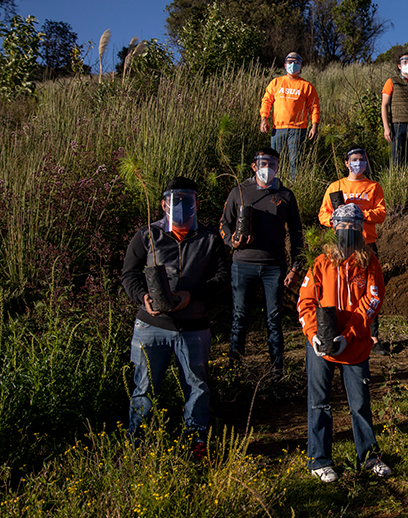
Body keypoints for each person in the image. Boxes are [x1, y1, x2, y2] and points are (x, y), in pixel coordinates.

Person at [121, 177, 229, 457]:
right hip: (151, 325)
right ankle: (138, 446)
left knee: (196, 387)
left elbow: (222, 278)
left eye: (187, 200)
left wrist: (191, 296)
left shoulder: (208, 238)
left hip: (194, 328)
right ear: (163, 204)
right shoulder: (148, 235)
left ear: (197, 203)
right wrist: (142, 298)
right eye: (175, 200)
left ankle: (196, 445)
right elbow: (129, 274)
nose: (181, 206)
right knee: (144, 387)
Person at [297, 204, 391, 482]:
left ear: (361, 228)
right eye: (342, 224)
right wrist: (313, 334)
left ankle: (370, 456)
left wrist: (348, 335)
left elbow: (372, 301)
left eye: (353, 225)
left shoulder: (369, 262)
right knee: (319, 403)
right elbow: (306, 301)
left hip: (355, 346)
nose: (347, 230)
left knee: (360, 404)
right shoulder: (321, 262)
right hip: (321, 346)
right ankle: (319, 460)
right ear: (333, 227)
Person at [220, 148, 305, 387]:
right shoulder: (239, 192)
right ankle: (233, 371)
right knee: (239, 318)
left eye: (273, 164)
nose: (268, 168)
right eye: (263, 163)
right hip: (242, 264)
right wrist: (232, 241)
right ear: (254, 166)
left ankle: (277, 372)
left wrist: (296, 266)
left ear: (278, 166)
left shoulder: (286, 195)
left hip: (274, 267)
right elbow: (224, 225)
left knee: (274, 320)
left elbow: (297, 233)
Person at [318, 146, 389, 356]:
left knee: (370, 291)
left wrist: (359, 214)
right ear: (347, 163)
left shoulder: (373, 186)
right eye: (355, 159)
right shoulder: (335, 186)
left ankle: (372, 336)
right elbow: (323, 214)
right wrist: (335, 218)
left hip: (365, 245)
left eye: (362, 159)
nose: (359, 163)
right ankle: (337, 330)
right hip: (340, 246)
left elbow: (381, 213)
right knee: (340, 289)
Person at [259, 52, 321, 179]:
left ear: (301, 66)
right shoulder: (276, 83)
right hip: (278, 129)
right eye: (290, 62)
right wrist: (263, 119)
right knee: (275, 161)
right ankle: (275, 185)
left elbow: (314, 107)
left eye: (296, 62)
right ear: (285, 65)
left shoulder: (306, 86)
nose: (293, 65)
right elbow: (266, 101)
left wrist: (314, 125)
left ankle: (293, 189)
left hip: (298, 130)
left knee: (295, 163)